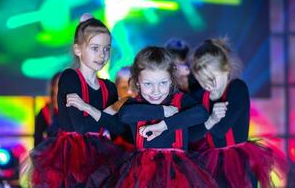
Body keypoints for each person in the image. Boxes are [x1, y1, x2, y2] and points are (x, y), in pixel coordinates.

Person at [87, 46, 219, 187]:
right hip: (141, 174)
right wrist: (163, 111)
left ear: (171, 81)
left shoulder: (180, 100)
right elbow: (125, 115)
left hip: (177, 174)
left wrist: (163, 125)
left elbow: (202, 113)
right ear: (137, 82)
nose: (156, 91)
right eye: (148, 84)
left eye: (163, 83)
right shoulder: (134, 104)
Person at [28, 13, 128, 187]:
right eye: (95, 48)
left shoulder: (109, 87)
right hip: (71, 160)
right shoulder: (70, 78)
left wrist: (88, 108)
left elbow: (118, 128)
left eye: (107, 49)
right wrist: (111, 110)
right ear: (78, 49)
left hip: (102, 159)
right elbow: (81, 127)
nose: (102, 55)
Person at [186, 38, 287, 188]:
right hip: (211, 161)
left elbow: (221, 129)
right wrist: (210, 120)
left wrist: (207, 122)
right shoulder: (201, 96)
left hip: (238, 162)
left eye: (212, 78)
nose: (209, 84)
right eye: (202, 80)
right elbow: (192, 135)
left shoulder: (237, 88)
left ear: (226, 69)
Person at [34, 72, 61, 147]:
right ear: (53, 87)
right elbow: (37, 139)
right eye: (59, 84)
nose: (62, 87)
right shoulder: (45, 111)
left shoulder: (74, 110)